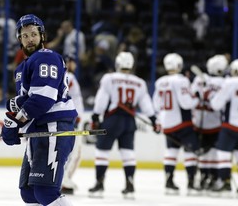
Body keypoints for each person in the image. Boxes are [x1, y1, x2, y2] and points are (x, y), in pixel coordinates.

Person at [0, 14, 78, 206]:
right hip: (39, 130)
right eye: (24, 36)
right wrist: (14, 120)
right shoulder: (22, 67)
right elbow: (29, 101)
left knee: (45, 192)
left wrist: (16, 121)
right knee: (29, 193)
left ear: (42, 36)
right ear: (19, 39)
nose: (30, 39)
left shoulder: (46, 57)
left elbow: (43, 99)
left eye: (33, 34)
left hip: (53, 127)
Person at [88, 52, 158, 198]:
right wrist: (153, 120)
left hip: (113, 119)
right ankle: (130, 183)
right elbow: (146, 104)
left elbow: (102, 98)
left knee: (102, 151)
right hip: (129, 120)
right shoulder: (139, 82)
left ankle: (99, 183)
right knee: (128, 153)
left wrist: (95, 115)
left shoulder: (110, 78)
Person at [152, 53, 201, 195]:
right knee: (190, 152)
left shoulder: (160, 81)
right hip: (182, 123)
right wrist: (197, 99)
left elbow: (156, 104)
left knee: (170, 152)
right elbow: (186, 103)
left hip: (167, 124)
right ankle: (191, 183)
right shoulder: (182, 80)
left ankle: (169, 181)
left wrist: (160, 120)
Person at [191, 55, 228, 192]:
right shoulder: (224, 82)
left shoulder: (200, 80)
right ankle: (213, 177)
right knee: (214, 152)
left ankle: (204, 176)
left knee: (204, 152)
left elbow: (192, 94)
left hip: (200, 121)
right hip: (217, 122)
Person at [209, 59, 238, 197]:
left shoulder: (230, 82)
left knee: (223, 154)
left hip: (230, 126)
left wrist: (211, 97)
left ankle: (224, 181)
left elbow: (216, 104)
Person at [61, 55, 85, 195]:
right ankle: (64, 180)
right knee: (74, 153)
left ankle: (63, 180)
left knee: (69, 152)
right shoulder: (69, 76)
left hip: (69, 118)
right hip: (72, 119)